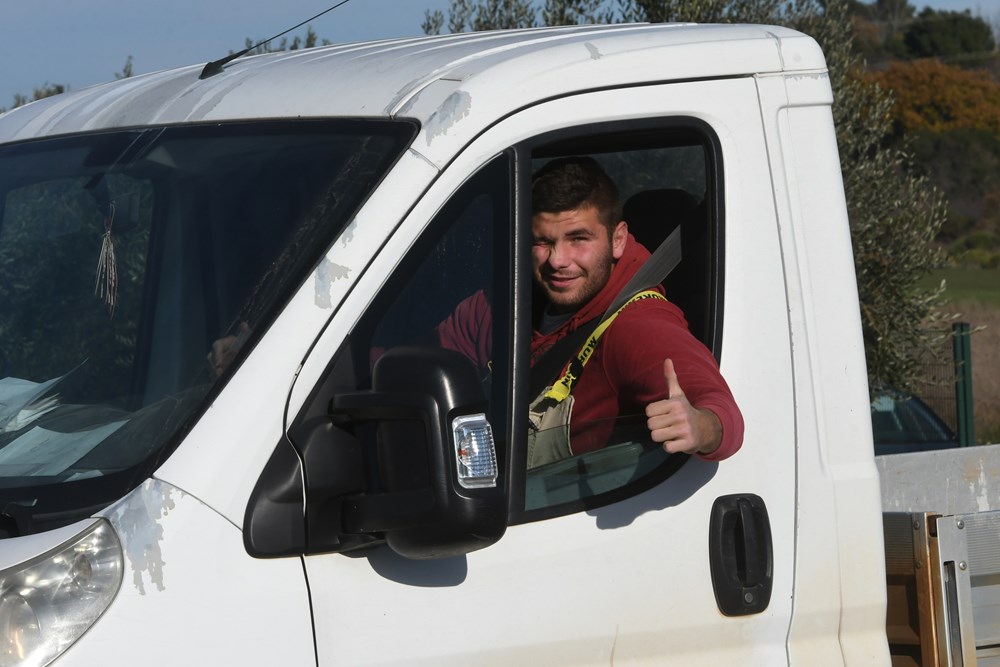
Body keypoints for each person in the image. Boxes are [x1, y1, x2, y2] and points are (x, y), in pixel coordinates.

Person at [437, 156, 743, 468]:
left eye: (578, 239)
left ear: (618, 239)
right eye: (542, 241)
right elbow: (427, 364)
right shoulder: (499, 303)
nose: (557, 260)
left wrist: (699, 426)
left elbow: (722, 414)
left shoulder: (639, 325)